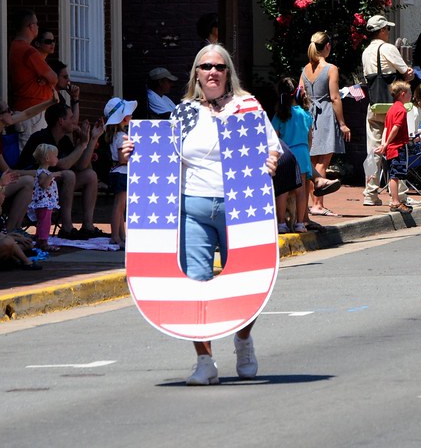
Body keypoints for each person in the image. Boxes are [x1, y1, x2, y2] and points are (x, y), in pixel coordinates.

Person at [122, 44, 280, 385]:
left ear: (228, 73)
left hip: (242, 208)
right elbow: (163, 154)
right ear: (196, 72)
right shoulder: (183, 112)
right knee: (196, 282)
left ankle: (242, 339)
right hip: (193, 206)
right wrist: (134, 151)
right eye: (206, 66)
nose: (213, 72)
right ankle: (205, 361)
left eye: (219, 67)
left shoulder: (247, 106)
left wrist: (270, 160)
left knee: (248, 281)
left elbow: (271, 146)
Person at [16, 103, 103, 239]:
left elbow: (81, 166)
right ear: (61, 121)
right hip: (36, 184)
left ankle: (88, 226)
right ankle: (67, 227)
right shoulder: (41, 138)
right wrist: (82, 144)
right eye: (71, 118)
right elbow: (63, 165)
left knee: (90, 175)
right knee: (68, 174)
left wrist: (92, 139)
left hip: (54, 185)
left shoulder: (64, 141)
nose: (74, 122)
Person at [362, 15, 415, 206]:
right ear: (382, 30)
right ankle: (400, 194)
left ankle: (370, 193)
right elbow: (405, 72)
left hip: (374, 104)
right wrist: (409, 72)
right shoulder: (388, 48)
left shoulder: (366, 52)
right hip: (392, 107)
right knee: (397, 147)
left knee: (374, 150)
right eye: (387, 29)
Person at [302, 32, 349, 217]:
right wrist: (343, 124)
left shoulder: (305, 69)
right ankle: (318, 205)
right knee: (323, 161)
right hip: (325, 115)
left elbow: (301, 94)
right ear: (327, 46)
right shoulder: (331, 68)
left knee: (310, 162)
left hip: (309, 115)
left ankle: (303, 205)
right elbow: (335, 97)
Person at [0, 95, 58, 233]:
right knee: (27, 181)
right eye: (8, 110)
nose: (12, 113)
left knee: (29, 181)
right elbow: (9, 173)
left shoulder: (3, 123)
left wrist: (50, 102)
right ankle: (10, 230)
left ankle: (15, 228)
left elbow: (27, 113)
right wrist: (40, 173)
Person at [8, 9, 58, 151]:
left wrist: (43, 78)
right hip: (32, 112)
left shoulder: (15, 46)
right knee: (34, 156)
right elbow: (53, 77)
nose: (37, 27)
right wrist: (46, 79)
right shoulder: (28, 50)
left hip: (28, 111)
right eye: (36, 24)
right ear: (30, 26)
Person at [272, 77, 315, 233]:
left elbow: (274, 139)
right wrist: (306, 151)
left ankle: (281, 223)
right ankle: (300, 223)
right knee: (301, 190)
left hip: (286, 155)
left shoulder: (279, 116)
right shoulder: (305, 114)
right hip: (302, 154)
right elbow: (309, 138)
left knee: (282, 190)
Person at [103, 97, 136, 249]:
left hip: (116, 172)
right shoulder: (122, 137)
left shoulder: (115, 135)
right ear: (123, 117)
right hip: (122, 173)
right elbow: (123, 158)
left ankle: (121, 235)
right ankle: (115, 236)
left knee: (121, 207)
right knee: (119, 206)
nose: (131, 116)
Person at [375, 81, 413, 213]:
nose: (410, 95)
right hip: (397, 146)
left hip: (390, 146)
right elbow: (395, 128)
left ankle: (395, 200)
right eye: (409, 93)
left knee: (393, 173)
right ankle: (395, 201)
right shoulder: (401, 110)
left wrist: (384, 144)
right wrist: (386, 144)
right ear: (403, 94)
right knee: (395, 174)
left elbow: (386, 128)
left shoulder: (391, 109)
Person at [26, 144, 59, 252]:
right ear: (48, 158)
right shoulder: (42, 172)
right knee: (45, 221)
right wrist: (53, 175)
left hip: (46, 202)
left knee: (43, 220)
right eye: (55, 156)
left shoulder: (44, 172)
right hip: (43, 202)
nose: (57, 158)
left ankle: (39, 237)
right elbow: (43, 184)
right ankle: (43, 241)